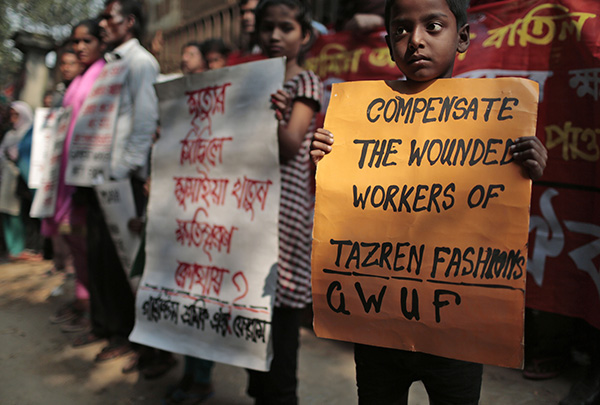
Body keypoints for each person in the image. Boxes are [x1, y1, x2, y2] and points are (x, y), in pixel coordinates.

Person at [310, 0, 548, 403]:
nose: (415, 41)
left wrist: (529, 165)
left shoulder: (497, 119)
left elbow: (502, 208)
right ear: (387, 43)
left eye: (433, 27)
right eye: (401, 30)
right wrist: (328, 156)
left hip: (457, 336)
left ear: (463, 37)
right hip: (377, 329)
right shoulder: (357, 120)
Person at [72, 0, 159, 363]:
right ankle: (107, 327)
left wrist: (121, 171)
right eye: (104, 17)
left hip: (120, 182)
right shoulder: (110, 65)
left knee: (123, 260)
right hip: (98, 176)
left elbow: (144, 122)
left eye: (110, 17)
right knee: (101, 257)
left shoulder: (140, 64)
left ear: (130, 22)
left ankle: (128, 335)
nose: (104, 24)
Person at [249, 0, 322, 403]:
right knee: (251, 313)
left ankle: (281, 396)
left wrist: (273, 117)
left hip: (283, 218)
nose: (275, 36)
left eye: (286, 28)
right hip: (248, 211)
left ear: (304, 35)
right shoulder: (248, 79)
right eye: (267, 28)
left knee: (280, 321)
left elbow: (290, 146)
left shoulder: (305, 82)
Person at [45, 18, 107, 333]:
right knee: (75, 245)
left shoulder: (102, 76)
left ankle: (94, 310)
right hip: (67, 180)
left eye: (87, 41)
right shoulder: (79, 81)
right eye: (76, 43)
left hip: (87, 181)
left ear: (102, 42)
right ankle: (83, 303)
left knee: (88, 247)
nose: (80, 48)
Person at [0, 101, 40, 261]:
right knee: (9, 212)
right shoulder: (10, 135)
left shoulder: (33, 133)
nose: (13, 118)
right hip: (9, 181)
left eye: (16, 114)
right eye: (11, 115)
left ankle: (32, 247)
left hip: (29, 181)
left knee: (27, 213)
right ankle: (14, 249)